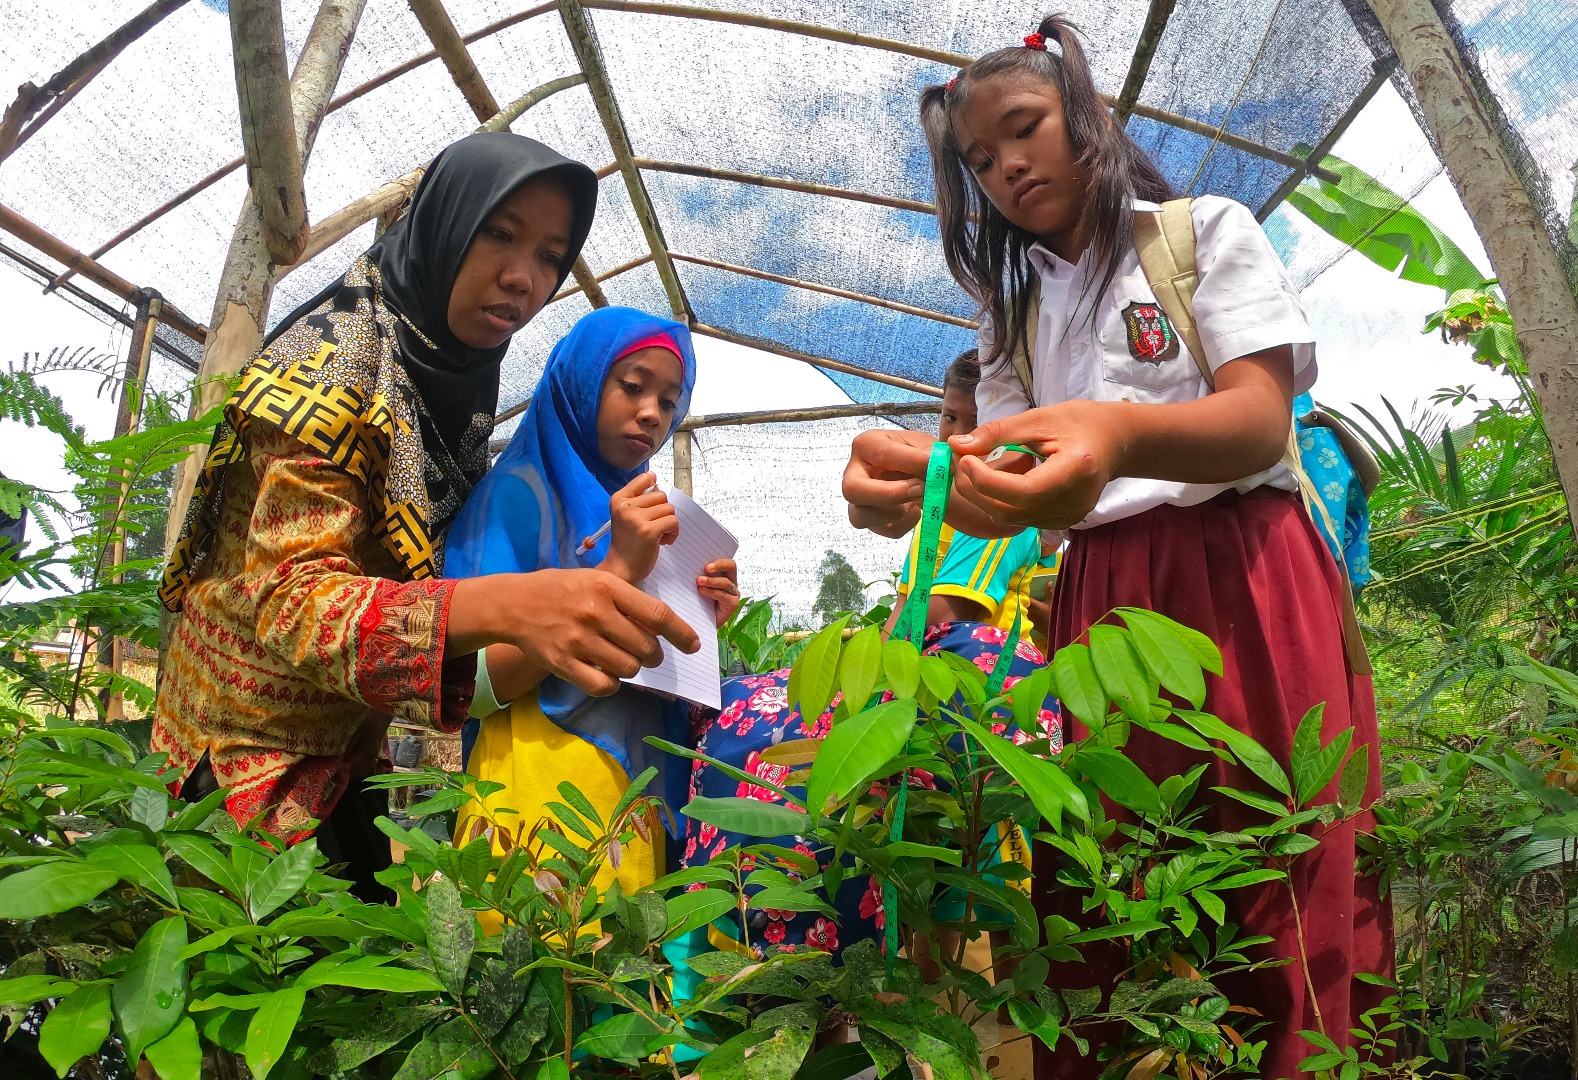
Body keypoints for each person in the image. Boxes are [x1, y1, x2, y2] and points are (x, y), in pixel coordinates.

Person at [839, 16, 1391, 1078]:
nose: (1005, 164)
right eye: (980, 158)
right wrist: (924, 488)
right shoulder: (1012, 317)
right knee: (1107, 875)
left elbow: (1260, 421)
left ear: (1083, 114)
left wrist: (1120, 429)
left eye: (1024, 128)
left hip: (1243, 570)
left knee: (1283, 848)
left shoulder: (1199, 235)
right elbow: (1016, 497)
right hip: (1100, 597)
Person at [153, 133, 700, 902]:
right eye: (499, 234)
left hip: (345, 759)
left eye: (550, 255)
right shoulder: (329, 362)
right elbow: (293, 602)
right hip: (242, 770)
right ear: (445, 220)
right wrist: (519, 602)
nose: (523, 277)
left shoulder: (447, 376)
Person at [680, 352, 1060, 959]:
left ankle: (776, 931)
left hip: (973, 697)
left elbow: (940, 616)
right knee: (745, 713)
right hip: (931, 670)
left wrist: (848, 669)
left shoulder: (999, 513)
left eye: (977, 426)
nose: (958, 441)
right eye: (948, 418)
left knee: (755, 737)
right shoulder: (944, 508)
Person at [446, 306, 740, 894]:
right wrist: (617, 572)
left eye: (669, 400)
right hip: (539, 790)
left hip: (635, 792)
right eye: (632, 387)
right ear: (581, 380)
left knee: (627, 974)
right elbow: (471, 687)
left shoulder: (644, 512)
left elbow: (654, 655)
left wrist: (700, 612)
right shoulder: (515, 495)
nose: (653, 413)